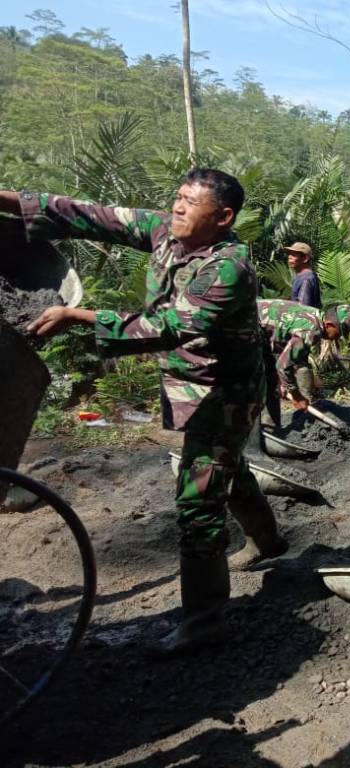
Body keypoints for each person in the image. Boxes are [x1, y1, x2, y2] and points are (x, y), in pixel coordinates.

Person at [14, 169, 287, 654]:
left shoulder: (228, 269)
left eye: (191, 202)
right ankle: (268, 543)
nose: (178, 208)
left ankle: (203, 624)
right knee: (225, 466)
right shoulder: (164, 230)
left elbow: (168, 326)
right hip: (192, 383)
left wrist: (78, 316)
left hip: (225, 393)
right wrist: (7, 201)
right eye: (177, 197)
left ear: (222, 218)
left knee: (198, 501)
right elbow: (86, 215)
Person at [258, 298, 348, 410]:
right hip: (248, 323)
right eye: (339, 333)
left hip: (259, 325)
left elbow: (294, 358)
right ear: (329, 325)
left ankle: (271, 423)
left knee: (272, 382)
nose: (338, 337)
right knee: (255, 384)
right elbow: (282, 366)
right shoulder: (310, 331)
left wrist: (284, 383)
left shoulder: (317, 315)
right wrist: (296, 396)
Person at [286, 241, 321, 308]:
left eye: (293, 255)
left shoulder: (306, 279)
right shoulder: (302, 276)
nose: (289, 257)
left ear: (305, 258)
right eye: (289, 254)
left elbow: (302, 307)